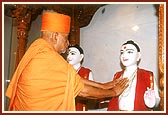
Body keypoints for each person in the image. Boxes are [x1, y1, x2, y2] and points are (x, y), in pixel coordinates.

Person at [5, 11, 128, 111]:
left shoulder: (37, 47)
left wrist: (102, 85)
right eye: (66, 37)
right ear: (55, 36)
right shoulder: (49, 57)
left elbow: (70, 78)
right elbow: (83, 91)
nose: (68, 43)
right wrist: (113, 92)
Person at [107, 40, 160, 111]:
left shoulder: (147, 75)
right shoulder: (117, 75)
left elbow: (157, 99)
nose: (124, 55)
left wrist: (152, 102)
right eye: (122, 52)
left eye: (129, 52)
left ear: (138, 56)